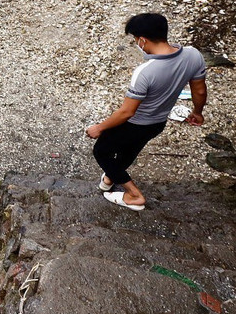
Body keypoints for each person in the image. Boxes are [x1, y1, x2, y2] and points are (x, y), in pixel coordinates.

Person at [85, 13, 207, 210]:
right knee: (130, 150)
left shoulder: (146, 72)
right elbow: (199, 90)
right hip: (158, 123)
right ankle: (110, 178)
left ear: (142, 39)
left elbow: (127, 112)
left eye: (135, 39)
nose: (136, 43)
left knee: (102, 152)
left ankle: (134, 195)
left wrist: (99, 127)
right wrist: (197, 112)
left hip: (136, 124)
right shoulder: (193, 55)